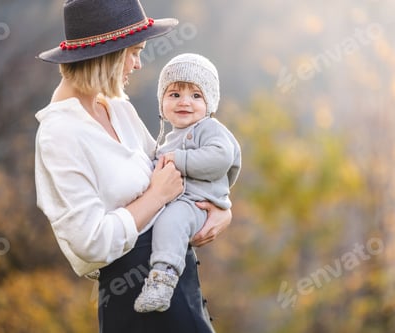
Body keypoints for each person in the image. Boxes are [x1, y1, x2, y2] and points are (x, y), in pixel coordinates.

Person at [34, 1, 231, 332]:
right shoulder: (59, 134)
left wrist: (221, 207)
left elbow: (173, 168)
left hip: (178, 284)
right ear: (108, 55)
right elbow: (91, 242)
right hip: (132, 300)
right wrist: (155, 197)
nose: (139, 64)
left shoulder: (117, 108)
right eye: (134, 52)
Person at [133, 53, 241, 313]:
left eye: (196, 96)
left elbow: (220, 158)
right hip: (177, 198)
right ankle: (108, 254)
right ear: (162, 102)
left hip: (196, 203)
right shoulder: (169, 137)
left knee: (172, 221)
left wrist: (179, 159)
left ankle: (163, 278)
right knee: (145, 214)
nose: (184, 103)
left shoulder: (210, 129)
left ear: (210, 102)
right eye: (174, 95)